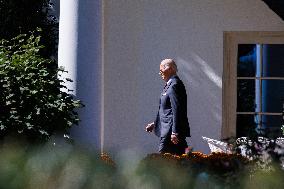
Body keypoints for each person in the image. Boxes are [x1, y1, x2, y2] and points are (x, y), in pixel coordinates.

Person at [145, 59, 190, 155]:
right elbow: (165, 110)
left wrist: (175, 132)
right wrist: (154, 123)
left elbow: (177, 109)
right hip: (168, 130)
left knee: (162, 161)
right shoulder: (169, 85)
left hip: (170, 132)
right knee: (182, 159)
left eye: (161, 70)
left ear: (169, 69)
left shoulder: (175, 85)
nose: (159, 73)